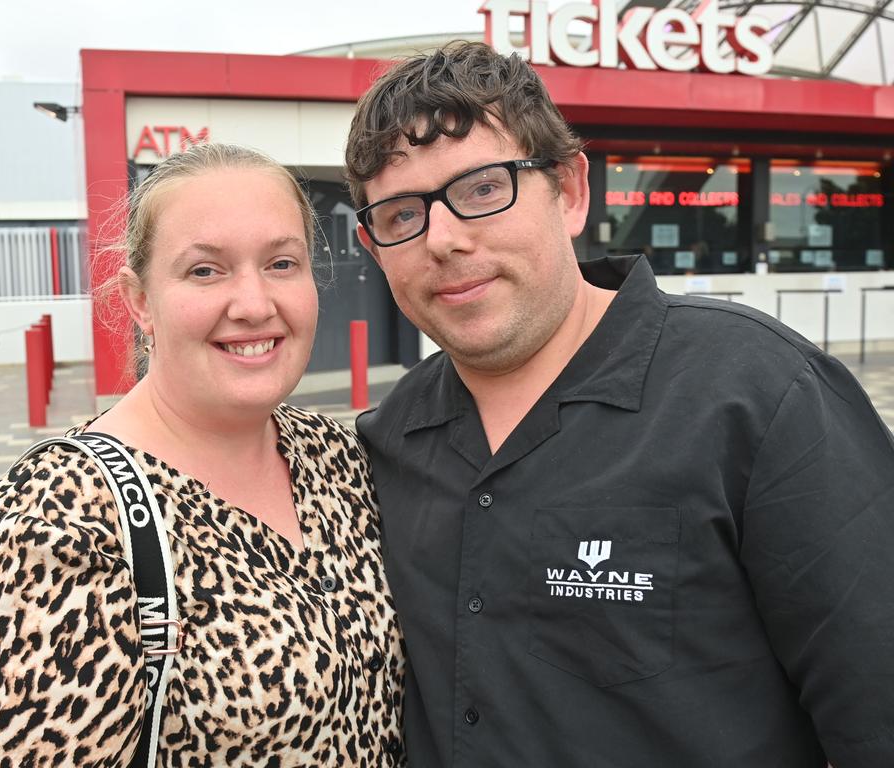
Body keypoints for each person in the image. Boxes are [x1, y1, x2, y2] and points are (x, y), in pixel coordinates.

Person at [345, 42, 894, 768]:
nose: (442, 238)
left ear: (571, 191)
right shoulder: (387, 443)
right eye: (401, 214)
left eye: (482, 188)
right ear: (374, 247)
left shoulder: (760, 396)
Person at [0, 143, 405, 766]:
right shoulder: (59, 525)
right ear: (140, 300)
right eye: (205, 271)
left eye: (282, 263)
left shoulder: (340, 457)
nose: (255, 305)